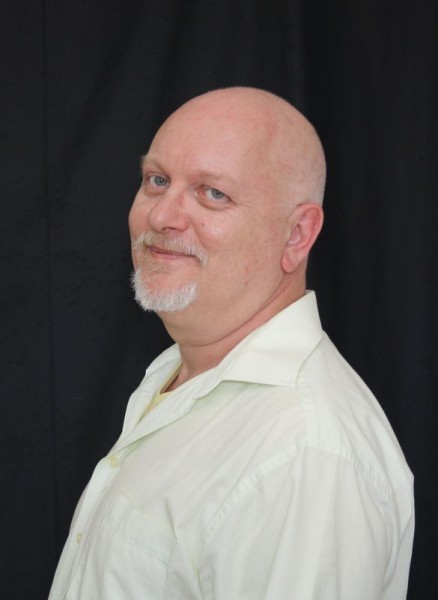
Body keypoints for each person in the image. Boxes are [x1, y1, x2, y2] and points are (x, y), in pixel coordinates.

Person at [49, 87, 414, 599]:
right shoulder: (179, 371)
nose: (162, 216)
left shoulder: (304, 456)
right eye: (157, 180)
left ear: (296, 235)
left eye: (212, 193)